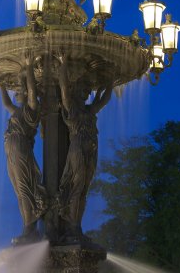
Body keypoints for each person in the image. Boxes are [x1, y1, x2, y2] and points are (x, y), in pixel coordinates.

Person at [57, 53, 113, 243]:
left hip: (91, 148)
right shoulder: (72, 109)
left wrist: (111, 79)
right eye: (82, 89)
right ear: (75, 91)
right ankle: (70, 227)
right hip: (78, 148)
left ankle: (76, 226)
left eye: (87, 91)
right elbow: (63, 89)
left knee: (83, 190)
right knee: (76, 187)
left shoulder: (89, 111)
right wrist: (63, 64)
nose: (86, 93)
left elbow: (104, 99)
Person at [0, 54, 47, 244]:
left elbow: (33, 93)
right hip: (12, 151)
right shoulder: (18, 111)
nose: (18, 91)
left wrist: (28, 67)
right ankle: (28, 228)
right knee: (20, 191)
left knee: (25, 189)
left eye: (23, 90)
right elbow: (6, 103)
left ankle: (31, 229)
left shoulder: (32, 109)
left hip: (20, 149)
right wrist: (0, 83)